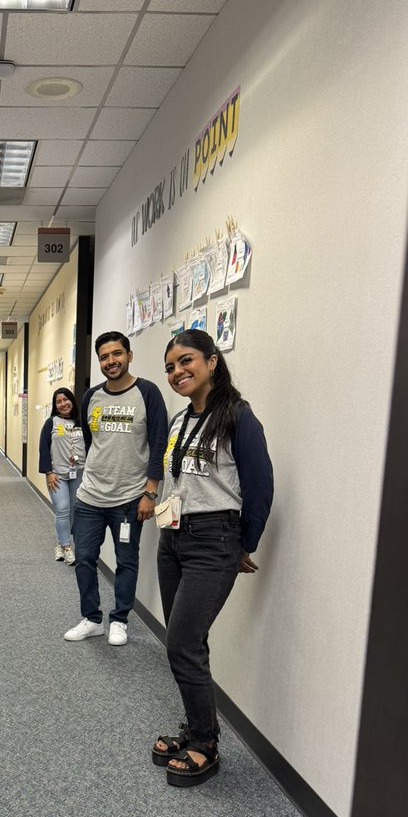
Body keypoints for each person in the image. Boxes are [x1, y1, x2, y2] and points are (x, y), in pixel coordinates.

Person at [152, 329, 273, 786]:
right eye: (169, 367)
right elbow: (175, 483)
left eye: (186, 361)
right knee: (185, 642)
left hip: (213, 541)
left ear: (211, 362)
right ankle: (197, 726)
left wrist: (246, 544)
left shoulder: (239, 418)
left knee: (182, 642)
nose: (177, 372)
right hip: (173, 540)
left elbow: (260, 487)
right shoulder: (181, 421)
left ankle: (206, 744)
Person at [63, 331, 168, 646]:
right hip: (90, 497)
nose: (111, 361)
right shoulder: (91, 396)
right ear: (99, 362)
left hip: (128, 499)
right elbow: (91, 441)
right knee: (83, 558)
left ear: (129, 355)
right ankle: (91, 619)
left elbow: (159, 443)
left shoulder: (147, 393)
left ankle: (120, 619)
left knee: (126, 561)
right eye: (104, 357)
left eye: (117, 354)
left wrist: (150, 493)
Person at [38, 387, 86, 565]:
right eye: (59, 401)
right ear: (55, 406)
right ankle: (67, 547)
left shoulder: (82, 423)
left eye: (66, 400)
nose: (63, 404)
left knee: (75, 511)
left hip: (79, 473)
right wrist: (48, 473)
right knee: (62, 509)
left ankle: (60, 542)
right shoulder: (51, 422)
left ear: (72, 401)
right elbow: (43, 448)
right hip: (57, 475)